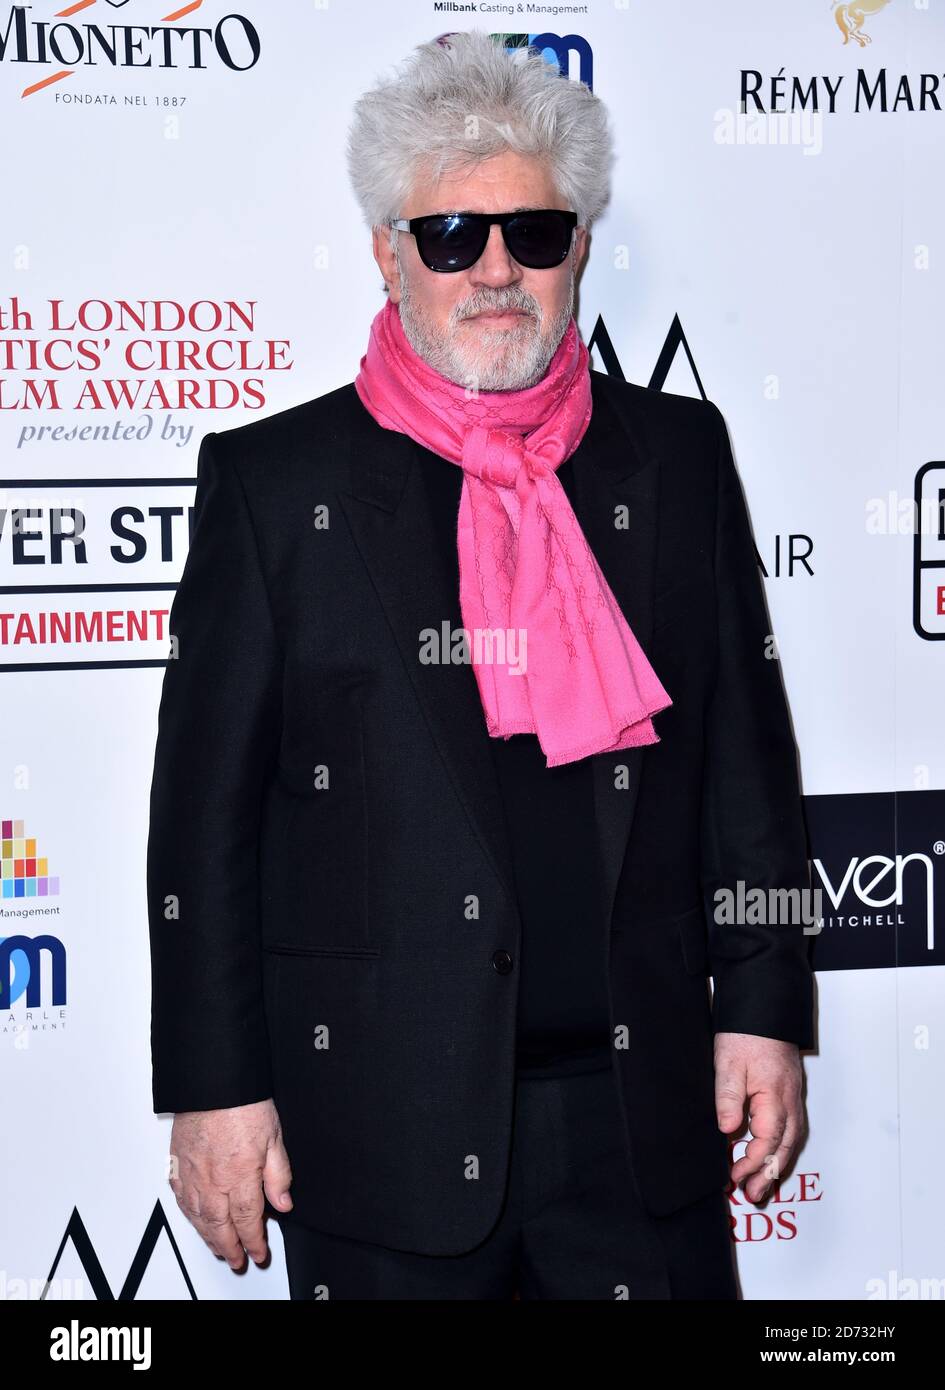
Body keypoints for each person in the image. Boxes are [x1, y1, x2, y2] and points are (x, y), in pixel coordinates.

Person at [147, 30, 815, 1300]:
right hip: (379, 1137)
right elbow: (203, 828)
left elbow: (745, 760)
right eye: (454, 236)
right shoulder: (280, 489)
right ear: (392, 255)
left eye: (536, 234)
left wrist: (765, 1002)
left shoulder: (673, 459)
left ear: (578, 250)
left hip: (640, 1118)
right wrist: (216, 1089)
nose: (497, 270)